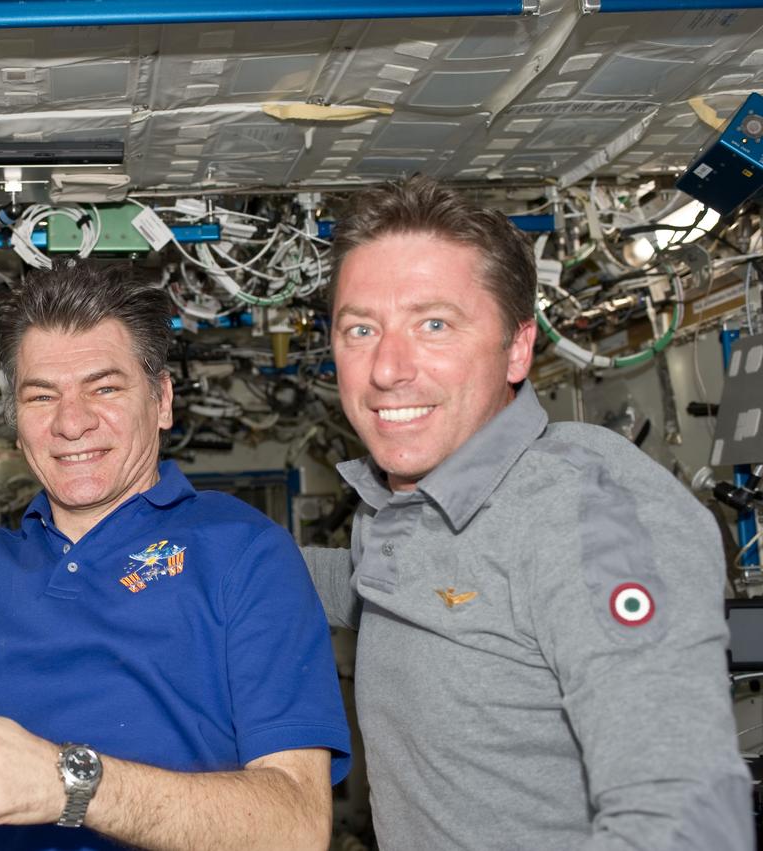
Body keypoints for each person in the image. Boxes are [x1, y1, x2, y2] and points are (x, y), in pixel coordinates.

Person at [0, 260, 351, 851]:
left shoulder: (245, 551)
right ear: (17, 424)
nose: (71, 423)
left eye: (104, 388)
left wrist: (68, 783)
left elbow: (297, 826)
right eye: (42, 395)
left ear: (162, 400)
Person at [303, 175, 752, 850]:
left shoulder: (584, 517)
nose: (388, 368)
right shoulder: (406, 500)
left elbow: (684, 824)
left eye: (434, 324)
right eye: (361, 328)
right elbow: (365, 585)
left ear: (518, 347)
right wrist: (197, 552)